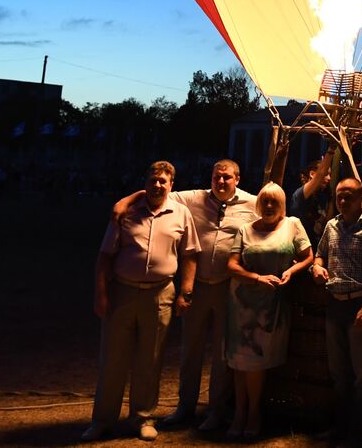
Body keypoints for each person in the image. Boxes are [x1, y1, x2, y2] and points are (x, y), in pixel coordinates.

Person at [111, 159, 256, 432]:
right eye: (216, 177)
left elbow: (276, 212)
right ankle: (185, 407)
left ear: (237, 178)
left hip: (228, 285)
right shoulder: (193, 198)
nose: (221, 182)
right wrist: (125, 201)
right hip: (198, 286)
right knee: (191, 348)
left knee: (223, 352)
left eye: (226, 177)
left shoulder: (251, 203)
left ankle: (215, 411)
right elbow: (157, 190)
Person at [84, 161, 199, 443]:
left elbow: (190, 254)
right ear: (145, 182)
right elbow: (105, 256)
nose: (158, 185)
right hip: (122, 291)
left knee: (151, 358)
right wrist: (101, 294)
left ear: (172, 185)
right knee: (113, 357)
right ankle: (102, 420)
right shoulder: (126, 213)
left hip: (161, 293)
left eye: (164, 181)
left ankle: (143, 417)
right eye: (154, 180)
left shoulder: (181, 213)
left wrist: (186, 291)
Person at [224, 182, 313, 438]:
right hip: (242, 303)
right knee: (239, 363)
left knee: (255, 363)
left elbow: (308, 256)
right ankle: (240, 413)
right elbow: (231, 265)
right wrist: (256, 277)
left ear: (282, 204)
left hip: (270, 307)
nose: (269, 206)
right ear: (258, 204)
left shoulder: (292, 224)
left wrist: (291, 271)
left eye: (274, 201)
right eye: (265, 201)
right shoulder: (246, 229)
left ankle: (253, 413)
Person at [311, 178, 362, 448]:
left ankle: (360, 431)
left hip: (358, 305)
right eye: (339, 196)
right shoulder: (331, 226)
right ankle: (340, 426)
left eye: (348, 197)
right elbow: (319, 255)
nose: (343, 201)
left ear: (361, 200)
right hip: (335, 304)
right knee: (338, 371)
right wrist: (317, 268)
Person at [291, 154, 332, 244]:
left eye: (330, 175)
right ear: (312, 174)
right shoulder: (301, 194)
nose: (329, 178)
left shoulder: (319, 197)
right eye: (326, 174)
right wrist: (331, 150)